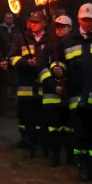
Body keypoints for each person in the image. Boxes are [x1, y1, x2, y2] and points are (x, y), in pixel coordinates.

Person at [50, 3, 92, 182]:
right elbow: (57, 61)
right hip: (76, 96)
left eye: (90, 20)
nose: (86, 23)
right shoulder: (68, 41)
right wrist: (58, 69)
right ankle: (83, 166)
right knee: (80, 133)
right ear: (78, 19)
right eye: (83, 19)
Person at [8, 10, 49, 157]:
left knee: (44, 119)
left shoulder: (50, 39)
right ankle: (29, 146)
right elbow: (12, 58)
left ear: (44, 23)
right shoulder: (21, 38)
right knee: (28, 119)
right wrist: (26, 62)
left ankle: (45, 147)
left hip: (45, 87)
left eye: (37, 22)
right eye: (32, 21)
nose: (34, 24)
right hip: (26, 86)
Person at [37, 14, 75, 166]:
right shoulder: (48, 47)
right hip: (52, 95)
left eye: (63, 26)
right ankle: (54, 156)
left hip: (70, 94)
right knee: (53, 128)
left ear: (70, 28)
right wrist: (53, 85)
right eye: (57, 27)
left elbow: (78, 67)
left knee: (70, 127)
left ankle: (71, 156)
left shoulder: (75, 46)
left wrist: (66, 79)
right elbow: (41, 68)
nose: (59, 29)